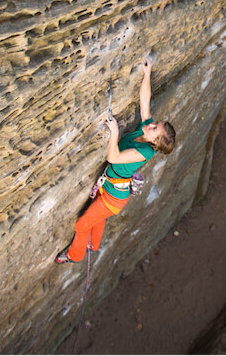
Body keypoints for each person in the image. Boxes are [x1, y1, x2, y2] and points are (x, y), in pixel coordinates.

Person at [55, 57, 176, 263]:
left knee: (82, 225)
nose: (152, 123)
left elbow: (113, 157)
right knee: (98, 218)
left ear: (155, 141)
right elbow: (144, 100)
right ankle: (93, 244)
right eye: (157, 123)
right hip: (110, 189)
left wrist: (114, 132)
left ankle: (74, 255)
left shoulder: (145, 151)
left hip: (113, 198)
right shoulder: (145, 131)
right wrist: (147, 74)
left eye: (155, 128)